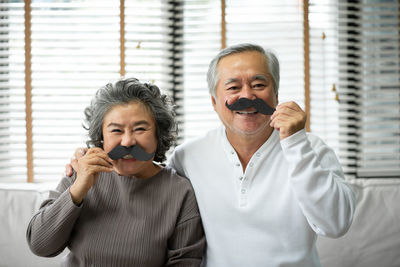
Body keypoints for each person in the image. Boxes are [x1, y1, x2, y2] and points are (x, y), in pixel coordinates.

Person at [66, 43, 356, 267]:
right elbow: (139, 171)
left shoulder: (311, 149)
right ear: (215, 102)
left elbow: (336, 225)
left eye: (259, 84)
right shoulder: (188, 157)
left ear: (276, 94)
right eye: (233, 87)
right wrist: (82, 164)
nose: (248, 96)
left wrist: (295, 143)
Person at [26, 78, 206, 267]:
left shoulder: (179, 191)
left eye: (140, 129)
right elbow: (40, 246)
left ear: (158, 135)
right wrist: (79, 188)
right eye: (116, 130)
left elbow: (185, 262)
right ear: (101, 137)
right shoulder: (81, 173)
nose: (128, 142)